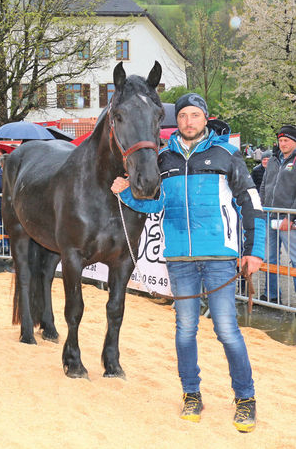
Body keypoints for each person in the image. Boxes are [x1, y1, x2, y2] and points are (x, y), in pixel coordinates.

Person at [111, 93, 264, 433]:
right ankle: (191, 394)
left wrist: (254, 251)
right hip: (179, 260)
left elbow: (251, 204)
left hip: (219, 258)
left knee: (227, 331)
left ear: (205, 118)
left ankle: (245, 398)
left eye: (195, 115)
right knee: (184, 332)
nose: (188, 121)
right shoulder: (163, 158)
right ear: (175, 121)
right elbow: (155, 206)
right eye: (182, 116)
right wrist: (125, 193)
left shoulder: (227, 154)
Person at [259, 125, 296, 302]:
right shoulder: (273, 160)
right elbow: (265, 185)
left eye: (286, 140)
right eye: (280, 140)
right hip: (269, 216)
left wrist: (291, 217)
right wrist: (261, 206)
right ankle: (271, 295)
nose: (282, 144)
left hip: (289, 219)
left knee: (294, 260)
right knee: (269, 258)